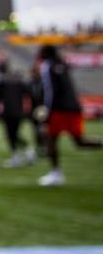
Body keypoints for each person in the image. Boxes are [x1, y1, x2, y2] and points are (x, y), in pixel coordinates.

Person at [35, 45, 101, 186]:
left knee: (50, 139)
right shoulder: (62, 64)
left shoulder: (47, 65)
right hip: (74, 108)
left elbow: (50, 90)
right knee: (80, 142)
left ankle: (56, 174)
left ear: (45, 53)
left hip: (59, 109)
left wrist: (47, 110)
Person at [0, 63, 35, 167]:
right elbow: (29, 93)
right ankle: (28, 152)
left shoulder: (1, 81)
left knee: (11, 135)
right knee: (16, 134)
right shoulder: (18, 80)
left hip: (8, 112)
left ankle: (17, 156)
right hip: (19, 111)